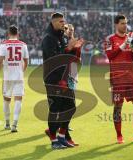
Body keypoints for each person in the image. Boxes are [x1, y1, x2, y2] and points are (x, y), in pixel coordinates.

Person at [104, 15, 133, 144]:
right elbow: (110, 56)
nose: (125, 25)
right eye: (122, 23)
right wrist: (124, 45)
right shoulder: (109, 39)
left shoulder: (131, 39)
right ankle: (119, 136)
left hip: (131, 78)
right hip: (117, 79)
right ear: (116, 25)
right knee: (118, 107)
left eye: (126, 23)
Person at [41, 12, 83, 149]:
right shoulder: (48, 38)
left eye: (64, 21)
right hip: (53, 79)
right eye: (60, 22)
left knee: (70, 107)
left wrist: (75, 49)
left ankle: (62, 136)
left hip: (65, 77)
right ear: (53, 22)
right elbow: (54, 60)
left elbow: (67, 56)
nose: (63, 24)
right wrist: (68, 48)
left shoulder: (62, 37)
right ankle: (53, 140)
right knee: (55, 109)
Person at [0, 25, 29, 132]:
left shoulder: (4, 44)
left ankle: (7, 123)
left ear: (8, 33)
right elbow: (26, 61)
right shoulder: (23, 45)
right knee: (18, 99)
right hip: (18, 76)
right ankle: (15, 124)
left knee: (6, 100)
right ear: (17, 34)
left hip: (7, 77)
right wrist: (21, 71)